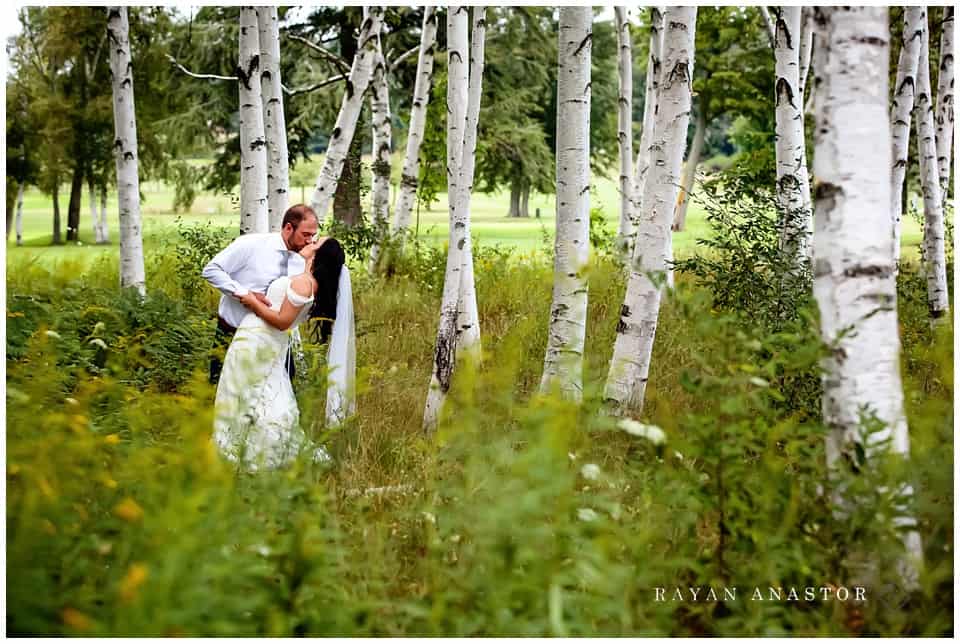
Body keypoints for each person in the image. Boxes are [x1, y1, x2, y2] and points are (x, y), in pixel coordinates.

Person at [212, 236, 355, 471]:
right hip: (266, 343)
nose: (312, 241)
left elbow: (282, 321)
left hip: (259, 341)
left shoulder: (304, 283)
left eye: (317, 242)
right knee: (262, 392)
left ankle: (246, 450)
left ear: (319, 256)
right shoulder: (310, 283)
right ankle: (250, 446)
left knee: (243, 391)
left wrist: (251, 301)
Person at [202, 204, 319, 385]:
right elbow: (211, 270)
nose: (310, 241)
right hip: (233, 333)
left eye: (313, 235)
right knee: (223, 394)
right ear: (288, 228)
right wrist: (244, 293)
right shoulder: (252, 244)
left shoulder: (301, 260)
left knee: (282, 395)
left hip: (276, 339)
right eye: (306, 235)